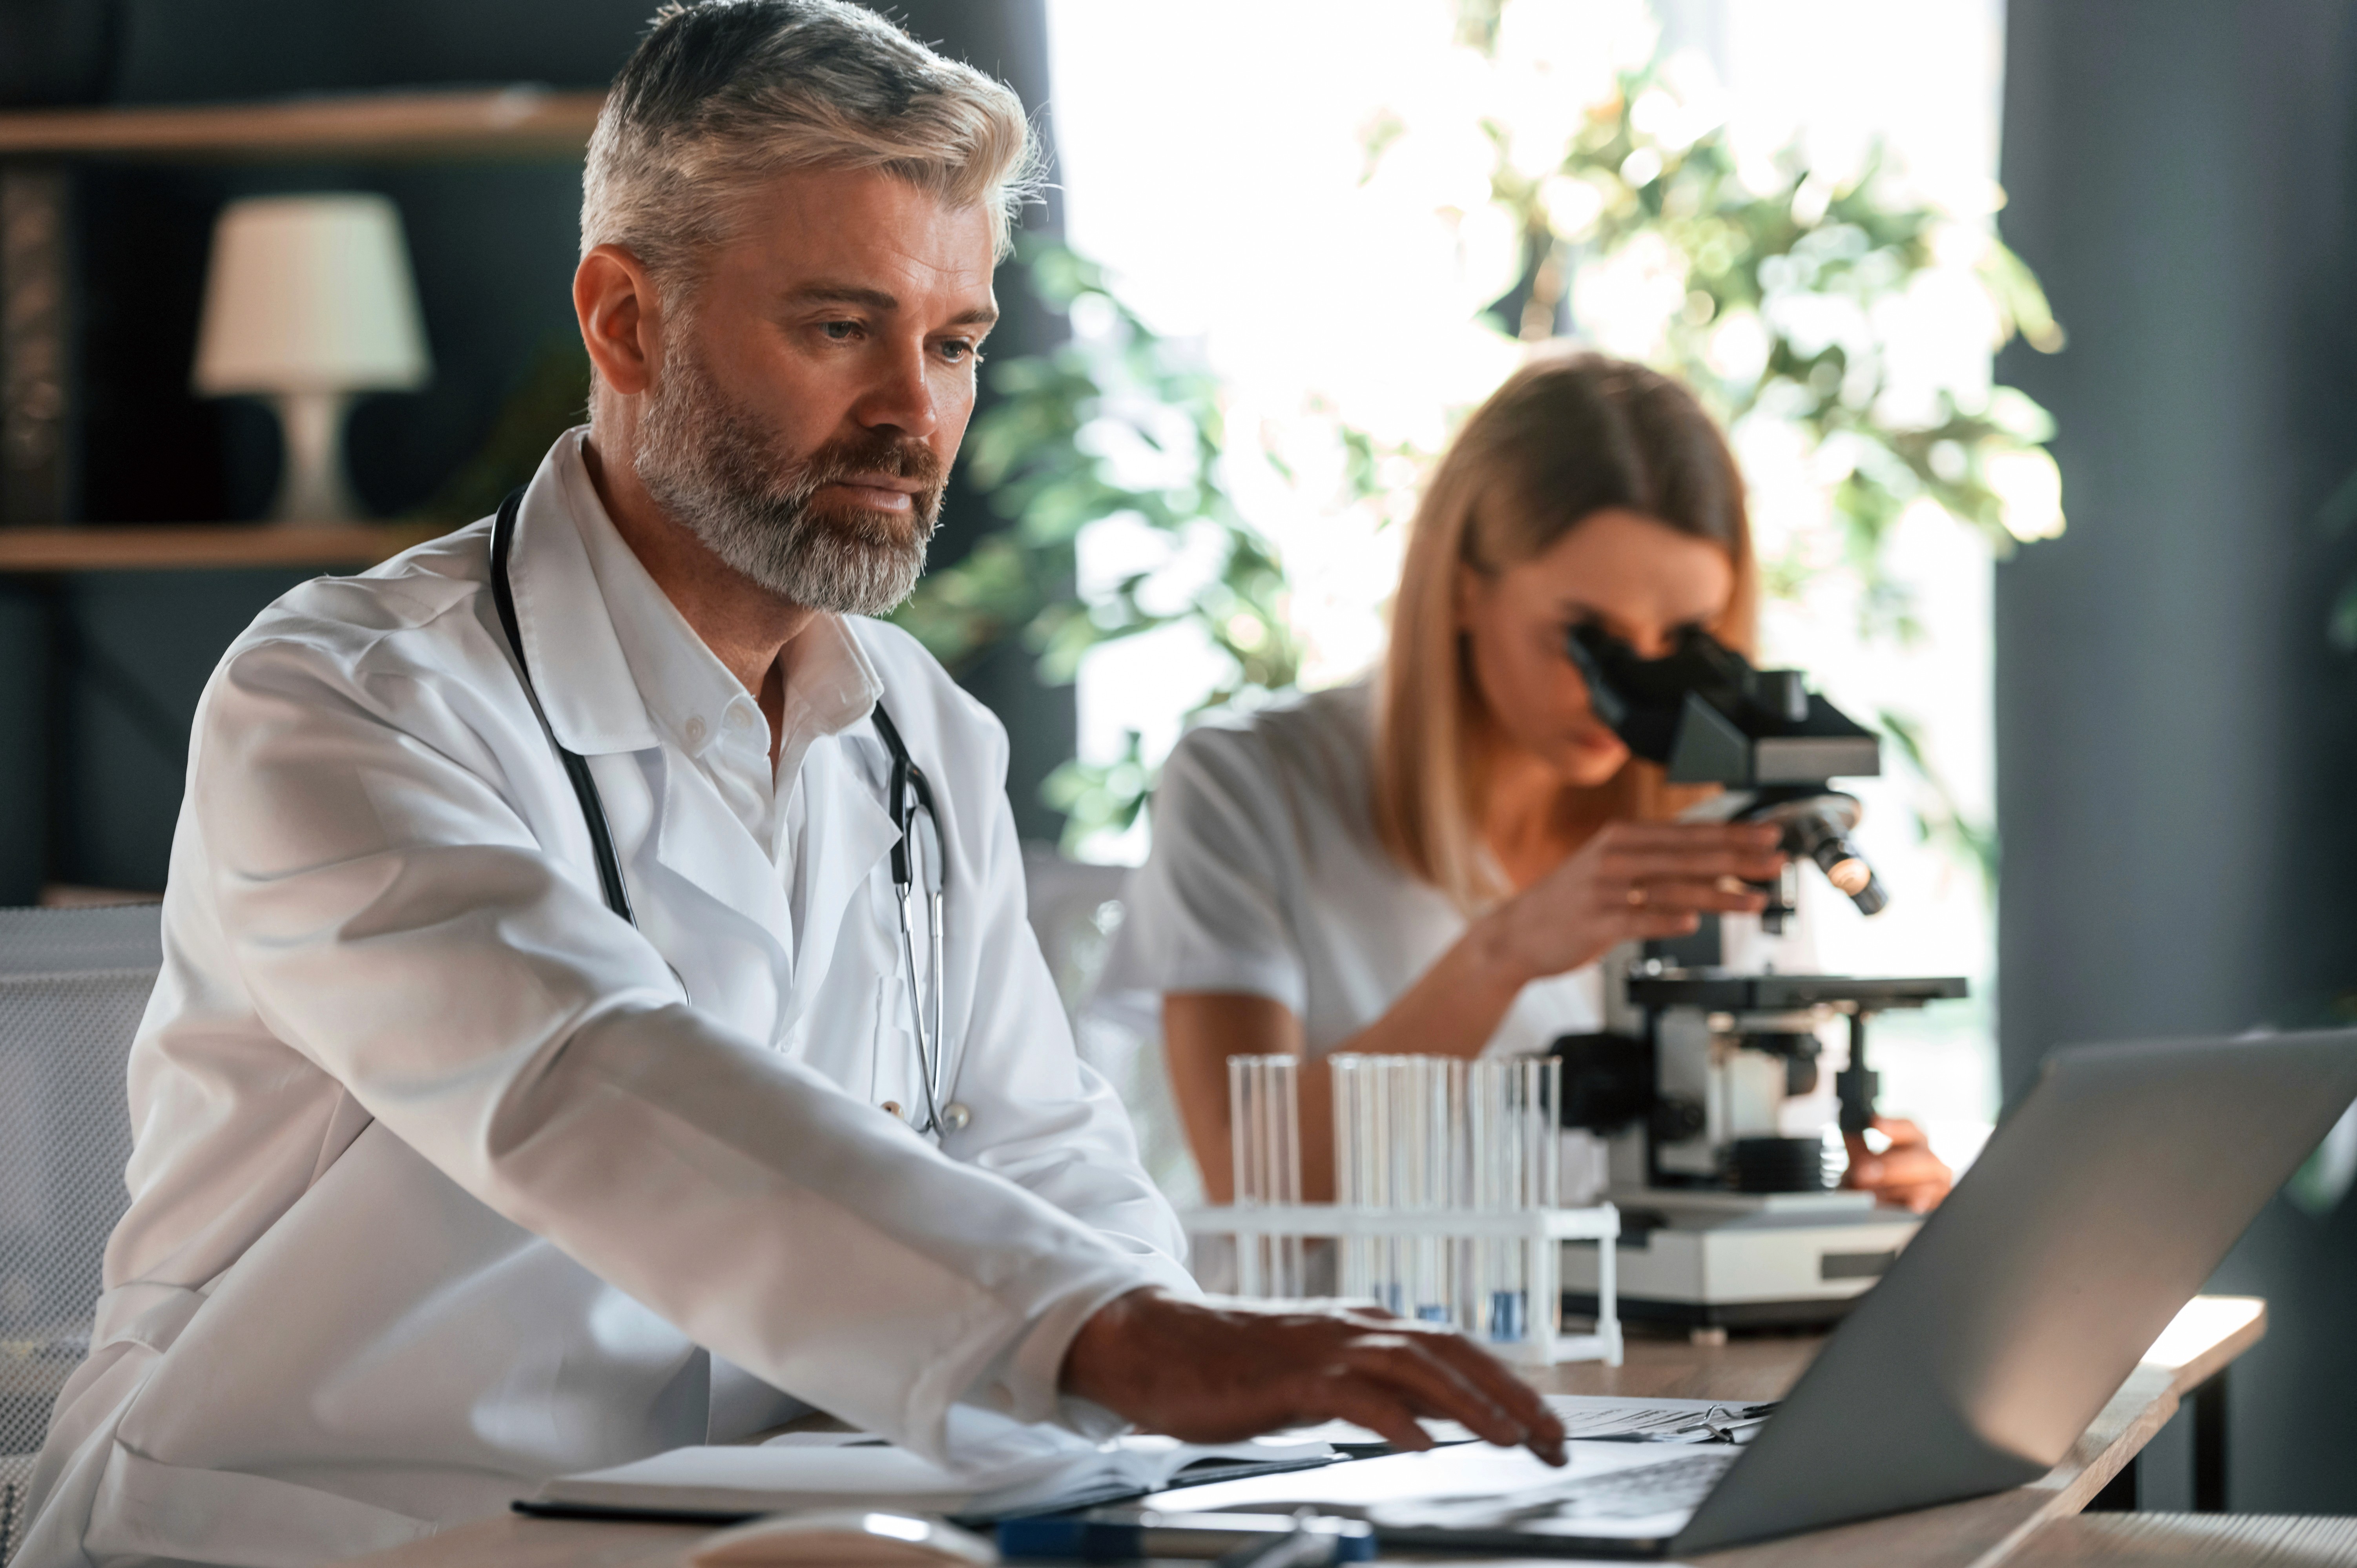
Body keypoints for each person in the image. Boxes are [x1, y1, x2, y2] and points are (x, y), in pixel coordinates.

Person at [17, 7, 1564, 1565]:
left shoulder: (922, 735)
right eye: (839, 327)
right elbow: (586, 1083)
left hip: (768, 1520)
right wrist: (1108, 1335)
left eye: (952, 341)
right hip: (324, 1525)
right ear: (625, 321)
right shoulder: (347, 703)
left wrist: (1180, 1396)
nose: (915, 408)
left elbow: (1039, 1150)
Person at [1105, 353, 1954, 1214]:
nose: (1625, 692)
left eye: (1683, 640)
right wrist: (1503, 954)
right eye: (1588, 638)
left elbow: (1750, 1149)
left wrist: (1861, 1190)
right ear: (1466, 590)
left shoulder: (1712, 819)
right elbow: (1252, 1173)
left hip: (1638, 1344)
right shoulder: (1248, 781)